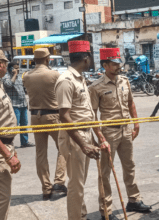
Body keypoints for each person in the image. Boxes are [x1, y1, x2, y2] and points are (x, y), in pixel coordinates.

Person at [89, 48, 152, 220]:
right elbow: (92, 114)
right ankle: (106, 210)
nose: (118, 67)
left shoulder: (125, 81)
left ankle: (134, 199)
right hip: (109, 132)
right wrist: (99, 137)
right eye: (114, 64)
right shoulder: (95, 87)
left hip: (126, 130)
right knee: (106, 172)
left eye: (119, 63)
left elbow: (131, 103)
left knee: (129, 166)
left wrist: (136, 123)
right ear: (105, 65)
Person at [55, 41, 100, 220]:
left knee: (80, 182)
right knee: (76, 184)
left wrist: (93, 139)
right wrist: (83, 144)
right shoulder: (66, 81)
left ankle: (81, 215)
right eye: (90, 55)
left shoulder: (79, 78)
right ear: (85, 57)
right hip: (75, 136)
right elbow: (65, 117)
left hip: (84, 132)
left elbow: (86, 112)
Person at [22, 48, 67, 200]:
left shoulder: (26, 76)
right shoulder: (54, 74)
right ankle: (59, 182)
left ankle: (46, 188)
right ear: (48, 59)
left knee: (41, 153)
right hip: (52, 115)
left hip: (35, 116)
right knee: (63, 148)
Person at [0, 49, 21, 220]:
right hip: (1, 150)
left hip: (6, 145)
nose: (6, 66)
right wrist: (7, 155)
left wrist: (11, 149)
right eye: (5, 63)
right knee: (2, 198)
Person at [2, 62, 34, 148]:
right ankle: (9, 143)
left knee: (24, 124)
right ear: (10, 69)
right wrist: (14, 75)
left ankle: (24, 142)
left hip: (22, 105)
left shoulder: (19, 77)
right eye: (16, 68)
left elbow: (22, 91)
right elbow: (8, 85)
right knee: (14, 125)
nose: (18, 70)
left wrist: (26, 103)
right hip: (14, 105)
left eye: (18, 68)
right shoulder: (6, 77)